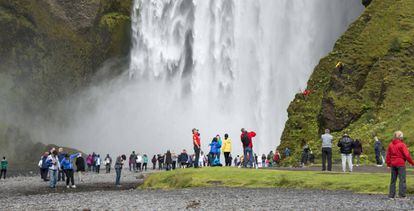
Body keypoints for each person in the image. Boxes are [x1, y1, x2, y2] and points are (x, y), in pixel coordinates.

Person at [386, 131, 414, 199]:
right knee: (402, 179)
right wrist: (412, 163)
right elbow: (407, 155)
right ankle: (402, 195)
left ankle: (391, 195)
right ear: (400, 136)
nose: (402, 136)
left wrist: (388, 164)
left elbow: (388, 155)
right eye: (402, 135)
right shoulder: (402, 145)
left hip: (393, 164)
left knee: (393, 180)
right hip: (400, 163)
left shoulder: (390, 144)